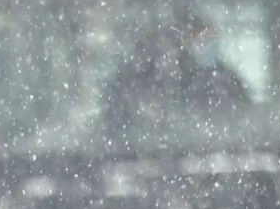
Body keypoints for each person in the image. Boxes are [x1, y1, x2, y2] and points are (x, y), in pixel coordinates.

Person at [104, 11, 251, 144]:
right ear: (188, 43)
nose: (208, 45)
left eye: (211, 38)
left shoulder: (227, 80)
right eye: (203, 39)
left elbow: (245, 118)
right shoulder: (168, 79)